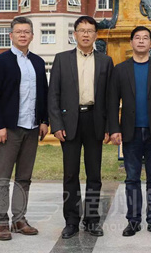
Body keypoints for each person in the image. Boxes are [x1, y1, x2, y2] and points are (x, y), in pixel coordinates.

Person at [48, 16, 113, 239]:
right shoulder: (61, 59)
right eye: (82, 30)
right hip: (69, 123)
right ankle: (71, 221)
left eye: (90, 31)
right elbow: (53, 95)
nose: (86, 34)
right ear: (74, 34)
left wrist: (108, 126)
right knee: (70, 174)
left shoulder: (105, 61)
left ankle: (92, 220)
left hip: (95, 121)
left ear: (96, 35)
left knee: (94, 174)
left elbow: (110, 97)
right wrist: (56, 124)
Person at [0, 17, 49, 241]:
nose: (23, 35)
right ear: (11, 35)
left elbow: (43, 94)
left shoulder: (38, 62)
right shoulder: (1, 61)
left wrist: (44, 120)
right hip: (10, 129)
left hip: (32, 128)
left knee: (24, 177)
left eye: (27, 31)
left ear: (32, 36)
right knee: (3, 177)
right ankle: (2, 222)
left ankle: (19, 219)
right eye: (19, 31)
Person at [108, 26, 151, 237]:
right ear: (131, 42)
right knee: (132, 179)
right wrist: (114, 129)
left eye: (145, 38)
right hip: (130, 132)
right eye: (137, 38)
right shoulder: (120, 69)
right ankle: (133, 221)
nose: (141, 41)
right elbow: (112, 102)